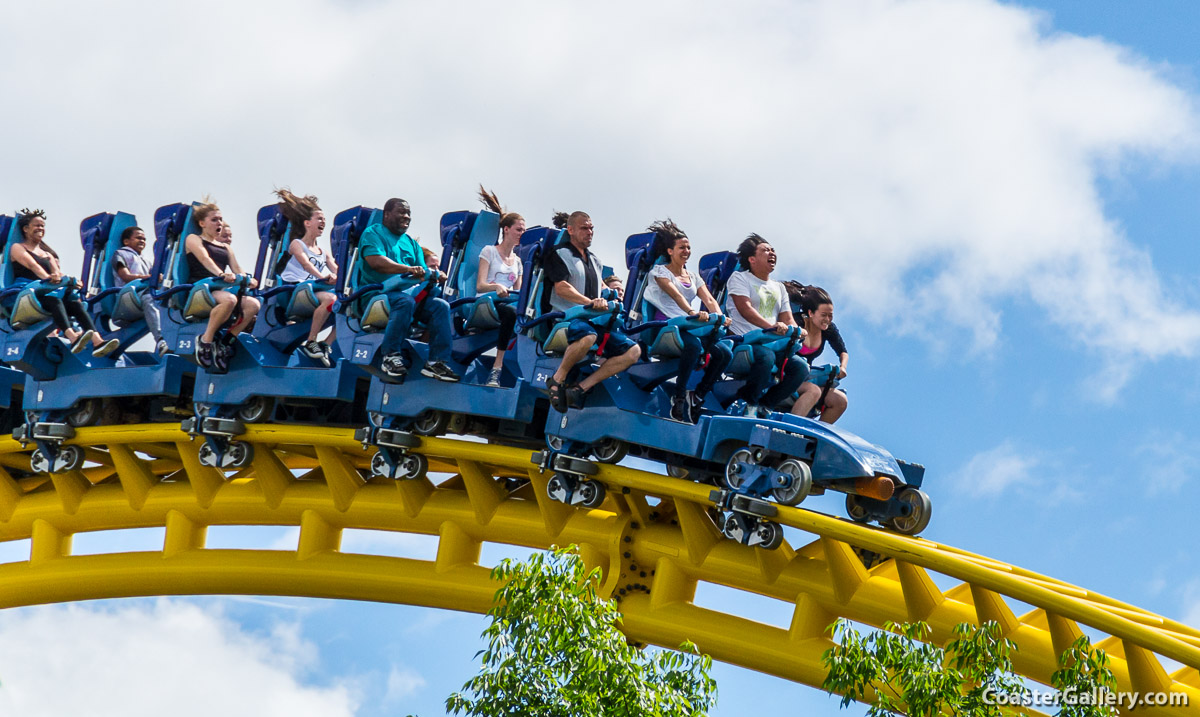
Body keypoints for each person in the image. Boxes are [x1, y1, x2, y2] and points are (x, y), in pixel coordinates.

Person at [542, 211, 641, 410]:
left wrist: (611, 295)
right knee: (588, 336)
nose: (589, 232)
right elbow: (562, 288)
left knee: (633, 351)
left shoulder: (595, 261)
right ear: (570, 230)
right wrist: (589, 302)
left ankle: (580, 388)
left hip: (592, 323)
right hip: (567, 320)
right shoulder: (558, 254)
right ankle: (557, 378)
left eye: (591, 228)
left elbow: (600, 288)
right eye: (584, 228)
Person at [358, 198, 460, 382]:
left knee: (440, 306)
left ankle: (436, 362)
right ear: (387, 214)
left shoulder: (411, 244)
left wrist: (436, 275)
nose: (406, 216)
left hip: (406, 295)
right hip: (376, 295)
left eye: (408, 213)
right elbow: (376, 262)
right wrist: (406, 269)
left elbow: (423, 273)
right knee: (404, 302)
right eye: (401, 212)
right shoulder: (372, 233)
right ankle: (390, 355)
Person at [641, 219, 732, 423]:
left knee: (724, 353)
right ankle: (679, 396)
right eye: (682, 247)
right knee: (693, 346)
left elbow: (708, 299)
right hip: (665, 327)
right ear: (670, 251)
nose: (686, 251)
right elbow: (676, 296)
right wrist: (692, 311)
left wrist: (719, 317)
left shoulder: (692, 276)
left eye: (689, 247)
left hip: (688, 326)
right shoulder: (660, 272)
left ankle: (697, 395)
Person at [10, 209, 120, 357]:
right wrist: (49, 280)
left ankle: (97, 341)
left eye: (42, 226)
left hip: (46, 290)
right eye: (36, 225)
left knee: (74, 302)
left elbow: (58, 274)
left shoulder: (48, 254)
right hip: (27, 292)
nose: (40, 229)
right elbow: (33, 266)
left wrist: (73, 282)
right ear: (25, 228)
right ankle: (73, 337)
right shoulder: (18, 248)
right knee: (54, 299)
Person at [723, 233, 809, 416]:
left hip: (772, 342)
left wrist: (797, 330)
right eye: (765, 250)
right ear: (752, 259)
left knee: (801, 368)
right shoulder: (739, 279)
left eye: (772, 250)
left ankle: (766, 405)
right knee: (766, 357)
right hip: (745, 341)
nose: (772, 253)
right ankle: (748, 401)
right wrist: (770, 327)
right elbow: (745, 309)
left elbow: (787, 317)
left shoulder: (779, 288)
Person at [184, 200, 260, 369]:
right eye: (214, 220)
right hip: (200, 287)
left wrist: (248, 278)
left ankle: (226, 341)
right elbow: (204, 258)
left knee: (253, 305)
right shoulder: (193, 239)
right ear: (202, 223)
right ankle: (205, 340)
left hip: (219, 288)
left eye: (220, 219)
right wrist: (220, 274)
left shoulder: (225, 247)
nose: (219, 223)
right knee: (230, 301)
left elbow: (237, 268)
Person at [275, 189, 337, 365]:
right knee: (331, 299)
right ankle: (311, 341)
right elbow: (306, 264)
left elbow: (336, 269)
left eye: (324, 219)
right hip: (294, 291)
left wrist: (346, 280)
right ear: (307, 223)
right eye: (319, 218)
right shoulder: (297, 244)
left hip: (312, 289)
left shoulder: (323, 252)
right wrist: (323, 278)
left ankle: (326, 344)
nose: (323, 221)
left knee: (347, 305)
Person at [475, 188, 524, 388]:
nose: (522, 234)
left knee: (519, 313)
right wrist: (496, 287)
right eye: (518, 230)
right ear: (506, 229)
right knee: (511, 313)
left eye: (523, 230)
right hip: (485, 302)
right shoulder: (489, 251)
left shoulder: (518, 261)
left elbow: (518, 292)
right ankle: (497, 366)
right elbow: (480, 285)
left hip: (506, 304)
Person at [785, 282, 849, 423]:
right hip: (786, 376)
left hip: (806, 378)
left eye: (830, 316)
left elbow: (843, 352)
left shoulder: (829, 329)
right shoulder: (797, 322)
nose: (827, 320)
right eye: (824, 315)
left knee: (840, 400)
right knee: (813, 391)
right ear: (810, 313)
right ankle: (788, 430)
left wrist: (842, 367)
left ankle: (812, 436)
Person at [112, 226, 168, 356]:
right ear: (126, 241)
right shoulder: (121, 254)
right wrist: (147, 277)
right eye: (138, 238)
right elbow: (125, 276)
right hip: (127, 298)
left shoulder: (146, 260)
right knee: (149, 298)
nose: (142, 241)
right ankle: (160, 340)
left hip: (143, 294)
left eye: (144, 239)